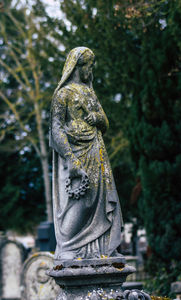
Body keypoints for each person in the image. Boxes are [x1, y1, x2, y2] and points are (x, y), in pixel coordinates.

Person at [50, 47, 122, 262]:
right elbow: (56, 129)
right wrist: (71, 159)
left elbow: (105, 123)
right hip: (77, 153)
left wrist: (97, 118)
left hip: (96, 151)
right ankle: (69, 246)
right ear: (77, 67)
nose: (91, 71)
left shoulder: (90, 93)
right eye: (89, 66)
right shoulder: (63, 94)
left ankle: (102, 248)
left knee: (99, 201)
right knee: (81, 201)